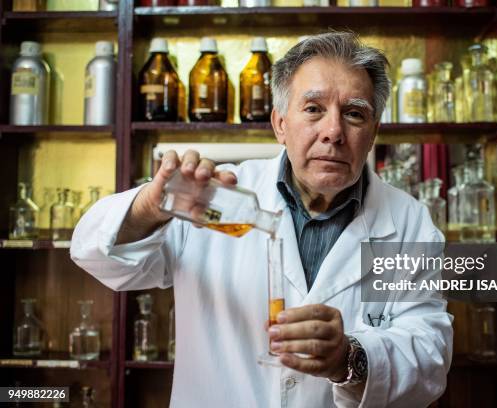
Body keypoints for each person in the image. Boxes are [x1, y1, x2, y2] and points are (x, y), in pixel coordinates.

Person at [71, 31, 453, 407]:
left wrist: (349, 359)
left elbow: (429, 356)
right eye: (313, 108)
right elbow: (96, 255)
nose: (333, 132)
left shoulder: (408, 222)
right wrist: (151, 208)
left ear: (373, 134)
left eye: (354, 114)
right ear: (280, 124)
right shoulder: (217, 194)